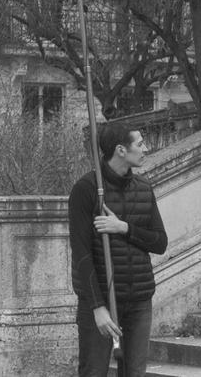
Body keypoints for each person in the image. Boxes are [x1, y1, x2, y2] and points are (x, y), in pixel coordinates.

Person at [68, 123, 168, 376]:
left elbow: (159, 242)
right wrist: (97, 307)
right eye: (140, 143)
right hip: (101, 301)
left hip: (139, 299)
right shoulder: (86, 189)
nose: (146, 148)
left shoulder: (144, 188)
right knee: (94, 371)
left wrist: (123, 227)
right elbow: (81, 254)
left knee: (135, 372)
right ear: (121, 150)